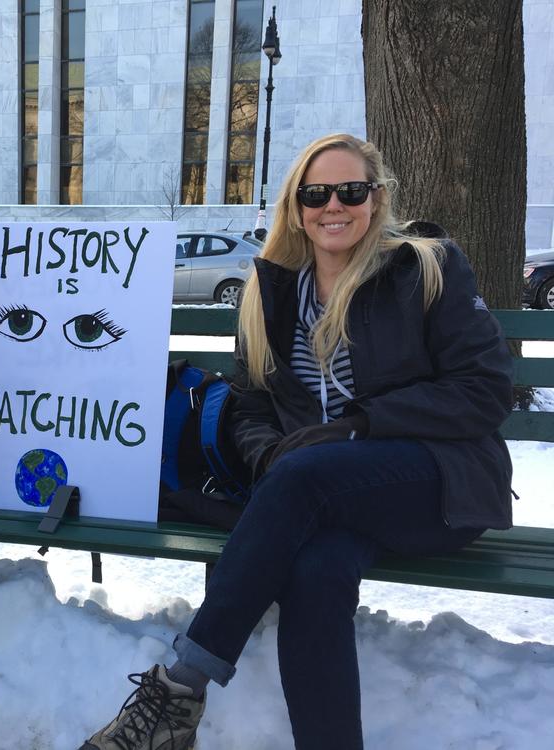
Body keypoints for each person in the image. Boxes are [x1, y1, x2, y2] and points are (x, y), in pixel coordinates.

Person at [79, 133, 514, 750]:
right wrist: (265, 454)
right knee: (315, 568)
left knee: (309, 474)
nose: (333, 205)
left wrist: (359, 425)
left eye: (350, 191)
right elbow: (250, 401)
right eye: (316, 193)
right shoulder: (275, 291)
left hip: (437, 482)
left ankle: (179, 691)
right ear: (296, 204)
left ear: (376, 197)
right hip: (322, 492)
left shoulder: (425, 267)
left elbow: (486, 388)